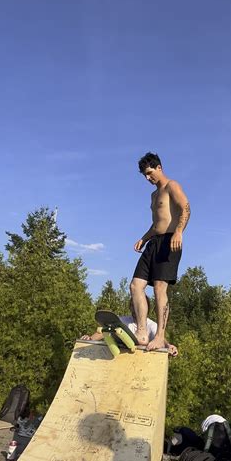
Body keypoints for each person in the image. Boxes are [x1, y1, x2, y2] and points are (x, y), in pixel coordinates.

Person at [131, 152, 190, 350]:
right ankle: (141, 332)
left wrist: (179, 232)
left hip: (170, 242)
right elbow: (157, 223)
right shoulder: (154, 195)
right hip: (154, 242)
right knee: (135, 285)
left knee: (159, 289)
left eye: (149, 173)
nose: (148, 178)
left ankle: (159, 336)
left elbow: (186, 208)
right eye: (144, 176)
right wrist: (143, 238)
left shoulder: (171, 186)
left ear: (159, 168)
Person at [82, 298, 178, 357]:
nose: (134, 308)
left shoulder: (151, 325)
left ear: (146, 307)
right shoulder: (122, 320)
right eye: (132, 305)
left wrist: (168, 346)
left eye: (137, 306)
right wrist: (90, 339)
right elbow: (105, 330)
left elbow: (160, 338)